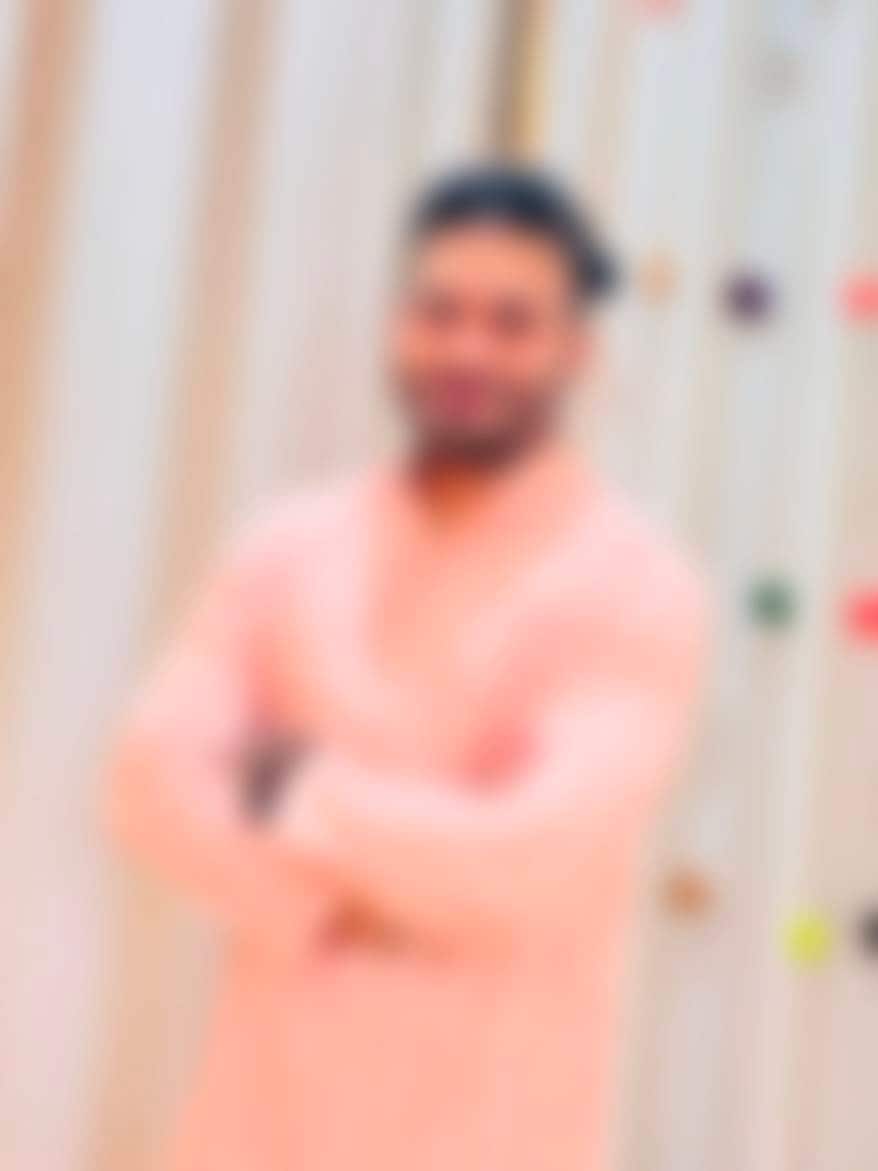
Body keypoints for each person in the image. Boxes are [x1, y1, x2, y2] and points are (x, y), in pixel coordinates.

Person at [107, 164, 709, 1171]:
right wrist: (331, 911)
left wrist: (295, 787)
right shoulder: (290, 544)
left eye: (511, 322)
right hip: (257, 1122)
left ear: (575, 350)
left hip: (496, 1132)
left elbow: (523, 855)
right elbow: (148, 780)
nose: (467, 348)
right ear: (398, 324)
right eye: (440, 312)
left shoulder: (634, 582)